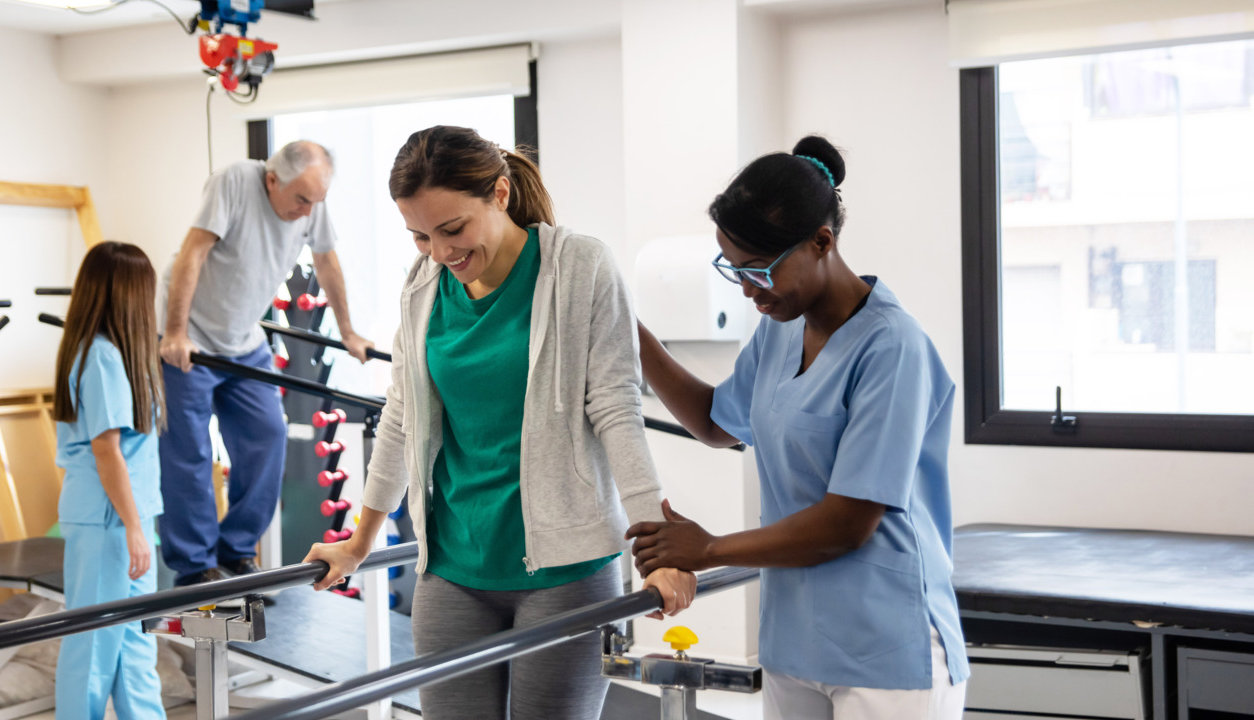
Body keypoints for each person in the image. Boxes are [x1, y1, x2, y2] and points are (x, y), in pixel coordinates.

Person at [304, 126, 696, 720]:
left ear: (502, 194)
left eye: (453, 229)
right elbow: (402, 419)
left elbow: (617, 409)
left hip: (566, 570)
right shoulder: (423, 285)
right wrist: (360, 542)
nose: (440, 252)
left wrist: (657, 550)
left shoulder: (579, 267)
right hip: (454, 566)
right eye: (419, 236)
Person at [626, 136, 970, 719]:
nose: (749, 290)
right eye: (735, 270)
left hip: (888, 646)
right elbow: (717, 421)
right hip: (795, 641)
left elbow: (847, 523)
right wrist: (629, 335)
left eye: (760, 270)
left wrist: (707, 548)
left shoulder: (893, 348)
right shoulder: (782, 328)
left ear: (822, 241)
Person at [157, 140, 375, 588]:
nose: (306, 211)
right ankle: (194, 565)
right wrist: (175, 331)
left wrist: (348, 331)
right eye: (300, 200)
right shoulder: (234, 182)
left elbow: (327, 261)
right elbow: (193, 252)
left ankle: (235, 552)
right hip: (191, 338)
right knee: (189, 452)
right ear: (272, 179)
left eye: (315, 202)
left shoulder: (311, 200)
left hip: (244, 339)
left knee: (267, 436)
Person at [53, 241, 167, 720]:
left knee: (135, 647)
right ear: (128, 296)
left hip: (127, 518)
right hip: (109, 523)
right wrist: (134, 527)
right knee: (93, 650)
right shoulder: (99, 357)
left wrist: (138, 524)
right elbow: (106, 451)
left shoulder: (116, 355)